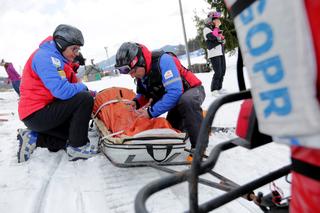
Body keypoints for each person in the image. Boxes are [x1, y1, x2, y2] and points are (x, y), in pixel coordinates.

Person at [17, 24, 97, 163]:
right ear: (61, 44)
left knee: (73, 133)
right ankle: (77, 148)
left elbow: (70, 85)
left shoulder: (57, 59)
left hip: (41, 112)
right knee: (85, 99)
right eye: (74, 49)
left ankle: (34, 138)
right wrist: (83, 89)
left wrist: (88, 91)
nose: (77, 53)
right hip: (36, 113)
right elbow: (62, 91)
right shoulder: (46, 57)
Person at [115, 42, 206, 161]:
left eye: (133, 71)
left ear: (141, 61)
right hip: (177, 102)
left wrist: (150, 112)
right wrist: (136, 102)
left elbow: (175, 92)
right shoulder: (142, 73)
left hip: (192, 92)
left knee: (187, 102)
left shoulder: (163, 61)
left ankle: (199, 148)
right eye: (129, 73)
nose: (132, 76)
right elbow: (144, 94)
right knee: (174, 132)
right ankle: (201, 119)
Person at [203, 12, 227, 96]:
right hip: (214, 53)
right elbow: (213, 37)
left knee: (223, 71)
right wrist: (217, 27)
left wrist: (222, 39)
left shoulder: (214, 29)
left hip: (220, 52)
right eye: (215, 19)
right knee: (218, 72)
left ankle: (219, 88)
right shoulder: (206, 29)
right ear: (211, 20)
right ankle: (214, 90)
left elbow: (219, 38)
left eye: (218, 19)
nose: (217, 21)